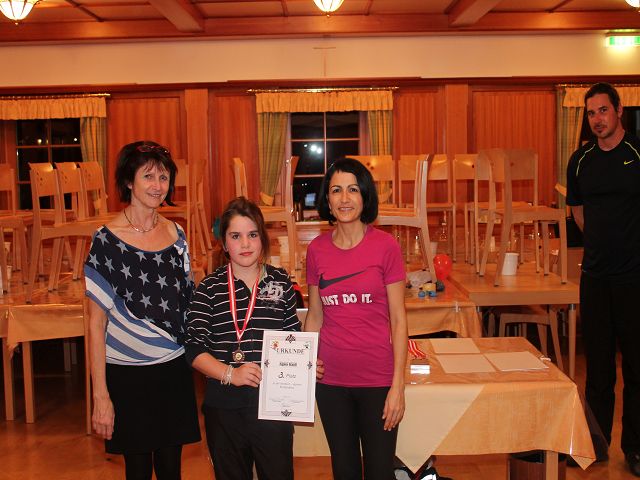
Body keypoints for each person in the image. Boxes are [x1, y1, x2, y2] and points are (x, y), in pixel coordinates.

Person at [84, 140, 200, 480]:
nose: (157, 186)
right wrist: (100, 395)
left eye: (163, 177)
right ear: (128, 181)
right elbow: (94, 324)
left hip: (173, 369)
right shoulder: (106, 241)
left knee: (171, 470)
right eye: (148, 176)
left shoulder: (177, 234)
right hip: (127, 375)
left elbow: (188, 303)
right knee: (137, 471)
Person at [304, 157, 408, 480]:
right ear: (327, 199)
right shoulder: (316, 250)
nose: (344, 198)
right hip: (330, 383)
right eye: (336, 190)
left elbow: (398, 320)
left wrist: (398, 386)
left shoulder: (386, 247)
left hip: (377, 380)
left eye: (352, 189)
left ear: (364, 195)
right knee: (344, 470)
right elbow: (315, 316)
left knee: (379, 471)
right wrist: (306, 362)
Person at [185, 196, 301, 480]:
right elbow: (194, 350)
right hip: (224, 408)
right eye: (236, 236)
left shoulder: (280, 282)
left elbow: (293, 339)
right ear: (224, 244)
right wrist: (231, 374)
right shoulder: (209, 288)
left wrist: (306, 366)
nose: (245, 244)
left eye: (253, 235)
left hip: (273, 406)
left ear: (263, 238)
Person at [566, 82, 640, 477]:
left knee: (636, 369)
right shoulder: (580, 160)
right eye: (591, 113)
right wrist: (602, 243)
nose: (597, 119)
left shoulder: (637, 154)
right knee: (596, 370)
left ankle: (636, 449)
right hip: (594, 278)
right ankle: (595, 445)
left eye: (603, 111)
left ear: (618, 110)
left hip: (634, 280)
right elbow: (578, 211)